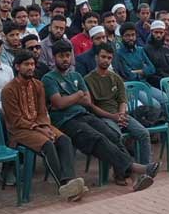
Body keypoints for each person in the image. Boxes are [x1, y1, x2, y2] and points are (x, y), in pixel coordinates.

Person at [43, 43, 157, 190]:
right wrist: (78, 94)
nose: (65, 59)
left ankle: (134, 177)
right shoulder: (49, 78)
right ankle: (138, 169)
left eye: (67, 55)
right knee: (96, 138)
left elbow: (87, 101)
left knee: (113, 135)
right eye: (61, 56)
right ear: (54, 57)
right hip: (66, 120)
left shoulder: (76, 76)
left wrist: (69, 98)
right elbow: (59, 103)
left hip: (83, 114)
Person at [1, 49, 88, 200]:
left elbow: (42, 112)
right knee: (48, 144)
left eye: (32, 64)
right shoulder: (8, 90)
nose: (30, 67)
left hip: (40, 125)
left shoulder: (38, 85)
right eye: (26, 64)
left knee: (64, 140)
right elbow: (16, 120)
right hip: (20, 130)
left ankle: (70, 180)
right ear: (17, 67)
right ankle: (63, 185)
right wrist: (40, 129)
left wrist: (45, 126)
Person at [84, 44, 153, 165]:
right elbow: (91, 107)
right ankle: (123, 170)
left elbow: (122, 100)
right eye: (103, 57)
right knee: (117, 137)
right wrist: (113, 117)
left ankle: (145, 168)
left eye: (109, 58)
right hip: (102, 117)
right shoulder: (87, 80)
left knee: (143, 134)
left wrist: (120, 115)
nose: (106, 60)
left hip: (119, 114)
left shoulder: (116, 78)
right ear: (96, 57)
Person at [143, 20, 169, 88]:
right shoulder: (146, 50)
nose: (158, 35)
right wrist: (166, 83)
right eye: (156, 32)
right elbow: (150, 73)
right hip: (156, 85)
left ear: (164, 33)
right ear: (151, 32)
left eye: (161, 33)